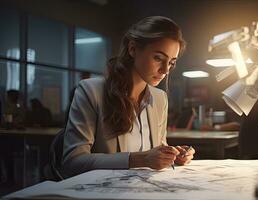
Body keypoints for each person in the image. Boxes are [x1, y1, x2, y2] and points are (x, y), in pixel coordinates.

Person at [62, 16, 195, 178]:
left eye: (171, 62)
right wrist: (140, 159)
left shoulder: (160, 98)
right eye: (158, 58)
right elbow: (73, 162)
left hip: (147, 191)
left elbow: (157, 148)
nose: (165, 70)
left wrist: (172, 155)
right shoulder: (91, 91)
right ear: (133, 49)